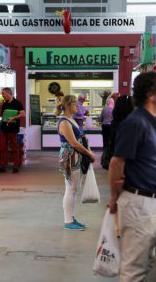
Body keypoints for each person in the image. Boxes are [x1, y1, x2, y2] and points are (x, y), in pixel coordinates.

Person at [107, 71, 156, 281]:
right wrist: (113, 199)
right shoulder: (136, 123)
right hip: (139, 202)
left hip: (147, 202)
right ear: (151, 94)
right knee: (134, 269)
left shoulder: (147, 122)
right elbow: (116, 162)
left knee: (142, 264)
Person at [55, 95, 95, 231]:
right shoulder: (65, 122)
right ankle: (68, 220)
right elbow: (73, 143)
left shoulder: (70, 120)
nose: (77, 107)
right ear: (68, 106)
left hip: (73, 156)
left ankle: (71, 218)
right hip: (70, 155)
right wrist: (89, 153)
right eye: (75, 105)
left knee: (73, 189)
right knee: (71, 189)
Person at [0, 87, 25, 173]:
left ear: (8, 93)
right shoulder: (4, 104)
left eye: (3, 94)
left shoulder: (17, 103)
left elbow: (23, 114)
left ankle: (16, 167)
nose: (2, 96)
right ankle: (2, 166)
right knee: (2, 147)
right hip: (4, 128)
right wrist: (0, 106)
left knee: (14, 148)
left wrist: (14, 117)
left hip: (13, 128)